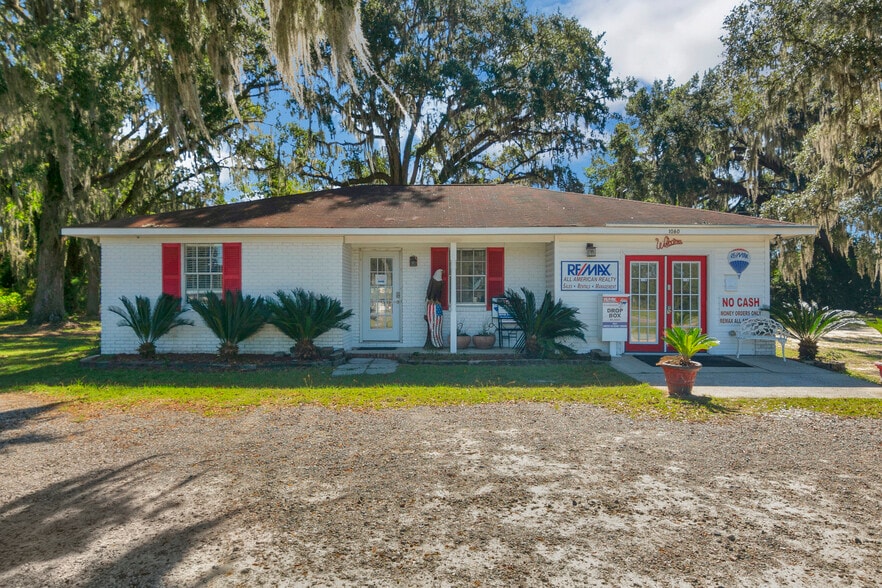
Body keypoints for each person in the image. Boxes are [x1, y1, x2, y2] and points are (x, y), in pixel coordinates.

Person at [425, 269, 444, 348]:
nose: (442, 273)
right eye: (441, 272)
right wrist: (430, 299)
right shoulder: (433, 280)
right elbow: (430, 290)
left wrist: (437, 300)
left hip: (436, 303)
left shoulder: (441, 281)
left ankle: (437, 340)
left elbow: (440, 292)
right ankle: (433, 340)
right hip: (431, 300)